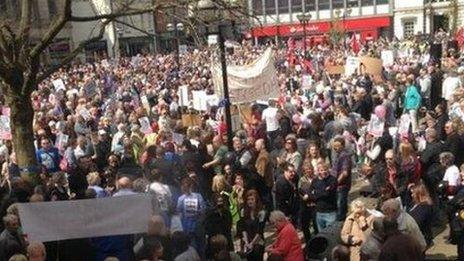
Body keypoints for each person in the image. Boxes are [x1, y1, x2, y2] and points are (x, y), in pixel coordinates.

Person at [176, 177, 206, 257]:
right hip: (197, 225)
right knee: (200, 248)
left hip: (187, 226)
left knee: (192, 247)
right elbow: (203, 211)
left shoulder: (181, 199)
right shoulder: (198, 196)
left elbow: (179, 213)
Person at [237, 189, 266, 261]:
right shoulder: (243, 211)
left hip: (258, 241)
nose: (250, 201)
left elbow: (260, 231)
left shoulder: (261, 213)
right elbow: (243, 228)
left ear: (256, 200)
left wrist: (252, 243)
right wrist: (247, 242)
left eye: (252, 199)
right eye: (248, 199)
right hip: (248, 240)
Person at [310, 162, 338, 231]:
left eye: (325, 169)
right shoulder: (315, 181)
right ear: (318, 171)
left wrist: (316, 192)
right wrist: (323, 191)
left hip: (330, 213)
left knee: (331, 234)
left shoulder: (333, 180)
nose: (324, 172)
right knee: (321, 235)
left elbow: (327, 194)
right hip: (319, 213)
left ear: (328, 170)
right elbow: (311, 194)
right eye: (321, 170)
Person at [330, 136, 352, 221]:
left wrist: (336, 183)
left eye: (338, 146)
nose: (335, 148)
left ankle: (340, 222)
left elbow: (345, 173)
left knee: (340, 206)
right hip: (338, 185)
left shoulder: (344, 156)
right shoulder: (338, 155)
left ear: (343, 146)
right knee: (341, 205)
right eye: (334, 146)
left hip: (341, 186)